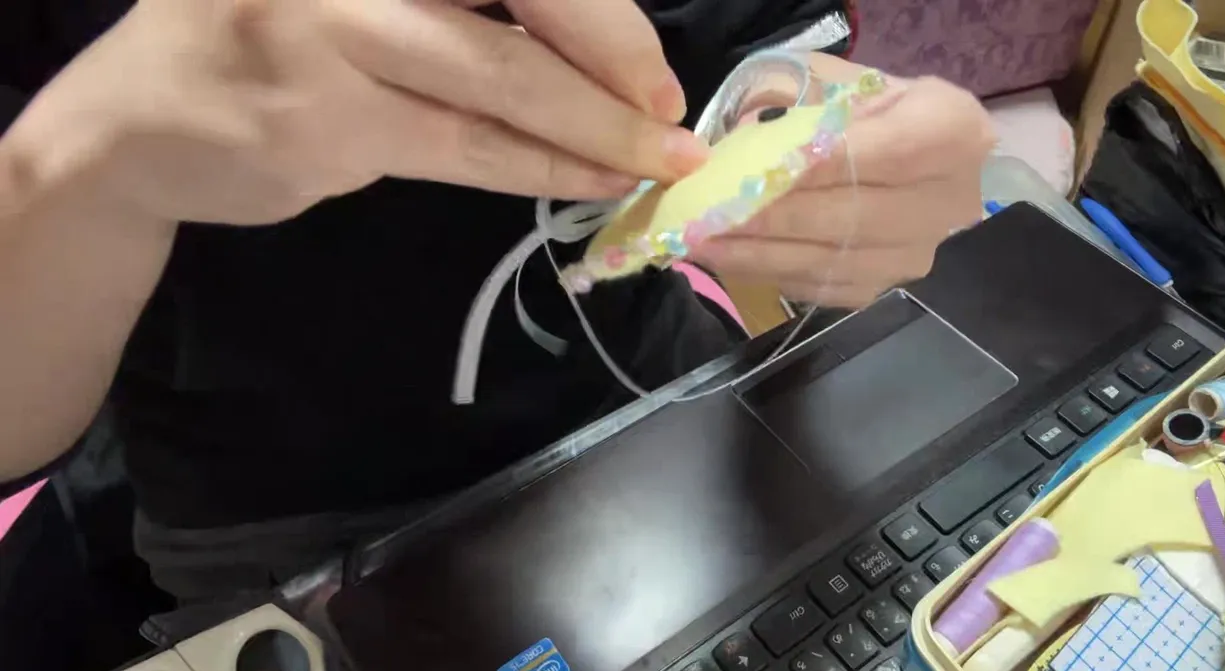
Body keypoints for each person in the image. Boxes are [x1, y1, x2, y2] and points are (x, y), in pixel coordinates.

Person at [0, 0, 994, 604]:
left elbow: (763, 65)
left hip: (654, 394)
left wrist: (849, 153)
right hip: (270, 520)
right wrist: (90, 163)